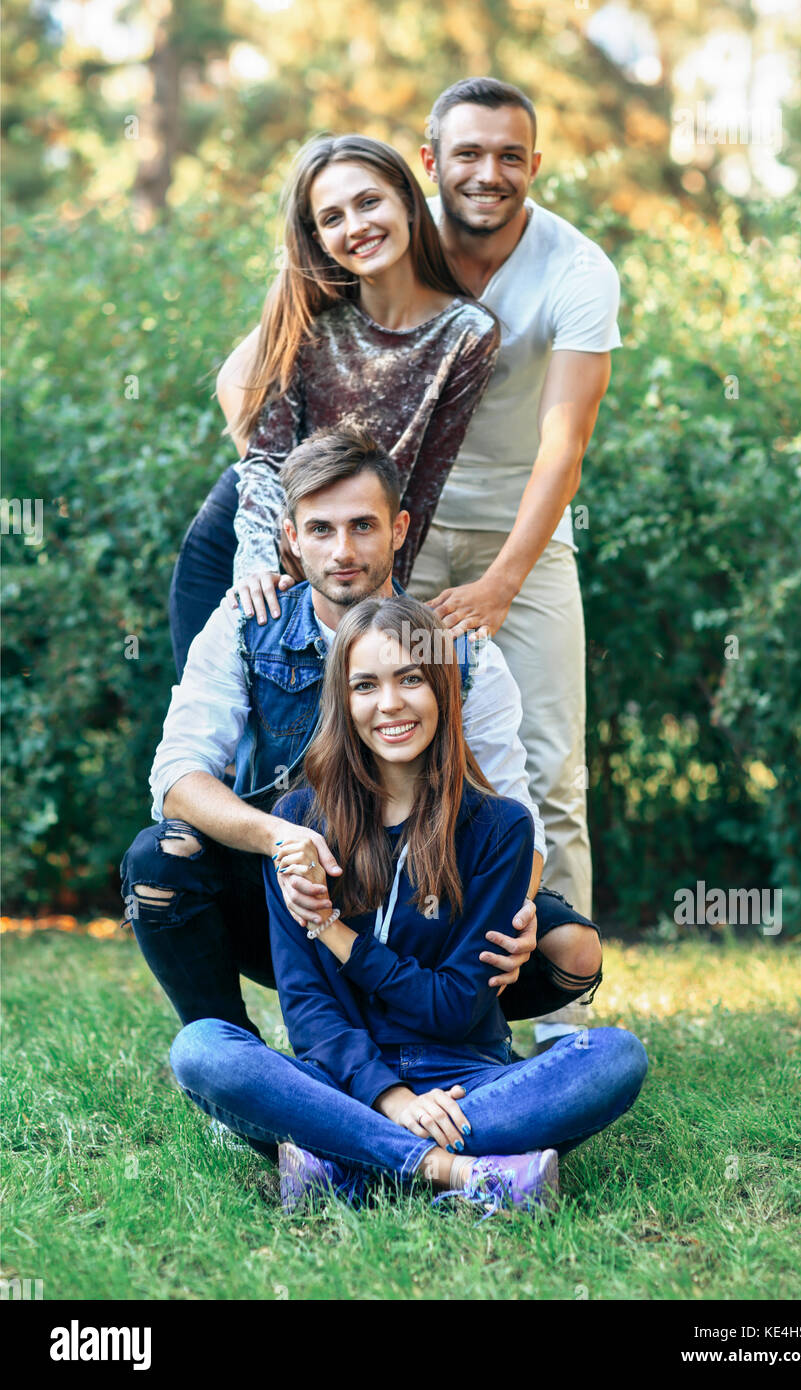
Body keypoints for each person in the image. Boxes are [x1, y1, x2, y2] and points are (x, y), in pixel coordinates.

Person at [169, 594, 648, 1216]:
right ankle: (446, 1170)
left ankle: (343, 1164)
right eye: (365, 684)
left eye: (411, 678)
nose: (389, 703)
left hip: (471, 1079)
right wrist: (390, 1097)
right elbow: (311, 1012)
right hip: (343, 1082)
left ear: (443, 689)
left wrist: (337, 934)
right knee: (203, 1047)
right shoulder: (297, 824)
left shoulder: (501, 828)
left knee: (613, 1057)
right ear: (344, 703)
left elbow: (454, 1007)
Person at [121, 428, 604, 1041]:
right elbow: (176, 776)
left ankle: (425, 1031)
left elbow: (517, 811)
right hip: (293, 898)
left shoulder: (462, 654)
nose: (342, 549)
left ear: (399, 530)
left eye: (363, 526)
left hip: (428, 904)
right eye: (321, 529)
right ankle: (232, 1057)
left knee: (572, 950)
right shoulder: (244, 626)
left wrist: (519, 907)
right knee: (162, 859)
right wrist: (281, 839)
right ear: (291, 539)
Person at [409, 77, 622, 1047]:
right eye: (467, 153)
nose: (487, 172)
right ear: (431, 161)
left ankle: (562, 1022)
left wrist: (500, 579)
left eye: (508, 155)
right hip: (397, 530)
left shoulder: (576, 270)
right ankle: (386, 998)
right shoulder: (390, 238)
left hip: (525, 539)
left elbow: (561, 446)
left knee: (546, 767)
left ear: (533, 164)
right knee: (384, 763)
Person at [169, 132, 499, 677]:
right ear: (319, 238)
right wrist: (256, 566)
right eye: (333, 217)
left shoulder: (468, 334)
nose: (357, 226)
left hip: (346, 553)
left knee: (337, 747)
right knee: (223, 750)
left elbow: (417, 487)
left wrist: (381, 605)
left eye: (369, 202)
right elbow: (268, 460)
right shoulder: (311, 319)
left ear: (407, 203)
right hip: (250, 543)